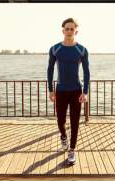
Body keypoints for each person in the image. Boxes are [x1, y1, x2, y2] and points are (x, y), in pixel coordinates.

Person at [47, 17, 90, 165]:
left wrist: (85, 92)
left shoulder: (82, 50)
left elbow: (86, 72)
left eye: (72, 29)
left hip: (76, 91)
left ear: (76, 31)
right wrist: (51, 90)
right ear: (63, 30)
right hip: (61, 90)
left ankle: (72, 150)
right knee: (60, 121)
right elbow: (50, 69)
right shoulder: (55, 49)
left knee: (75, 122)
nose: (70, 31)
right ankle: (63, 136)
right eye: (67, 28)